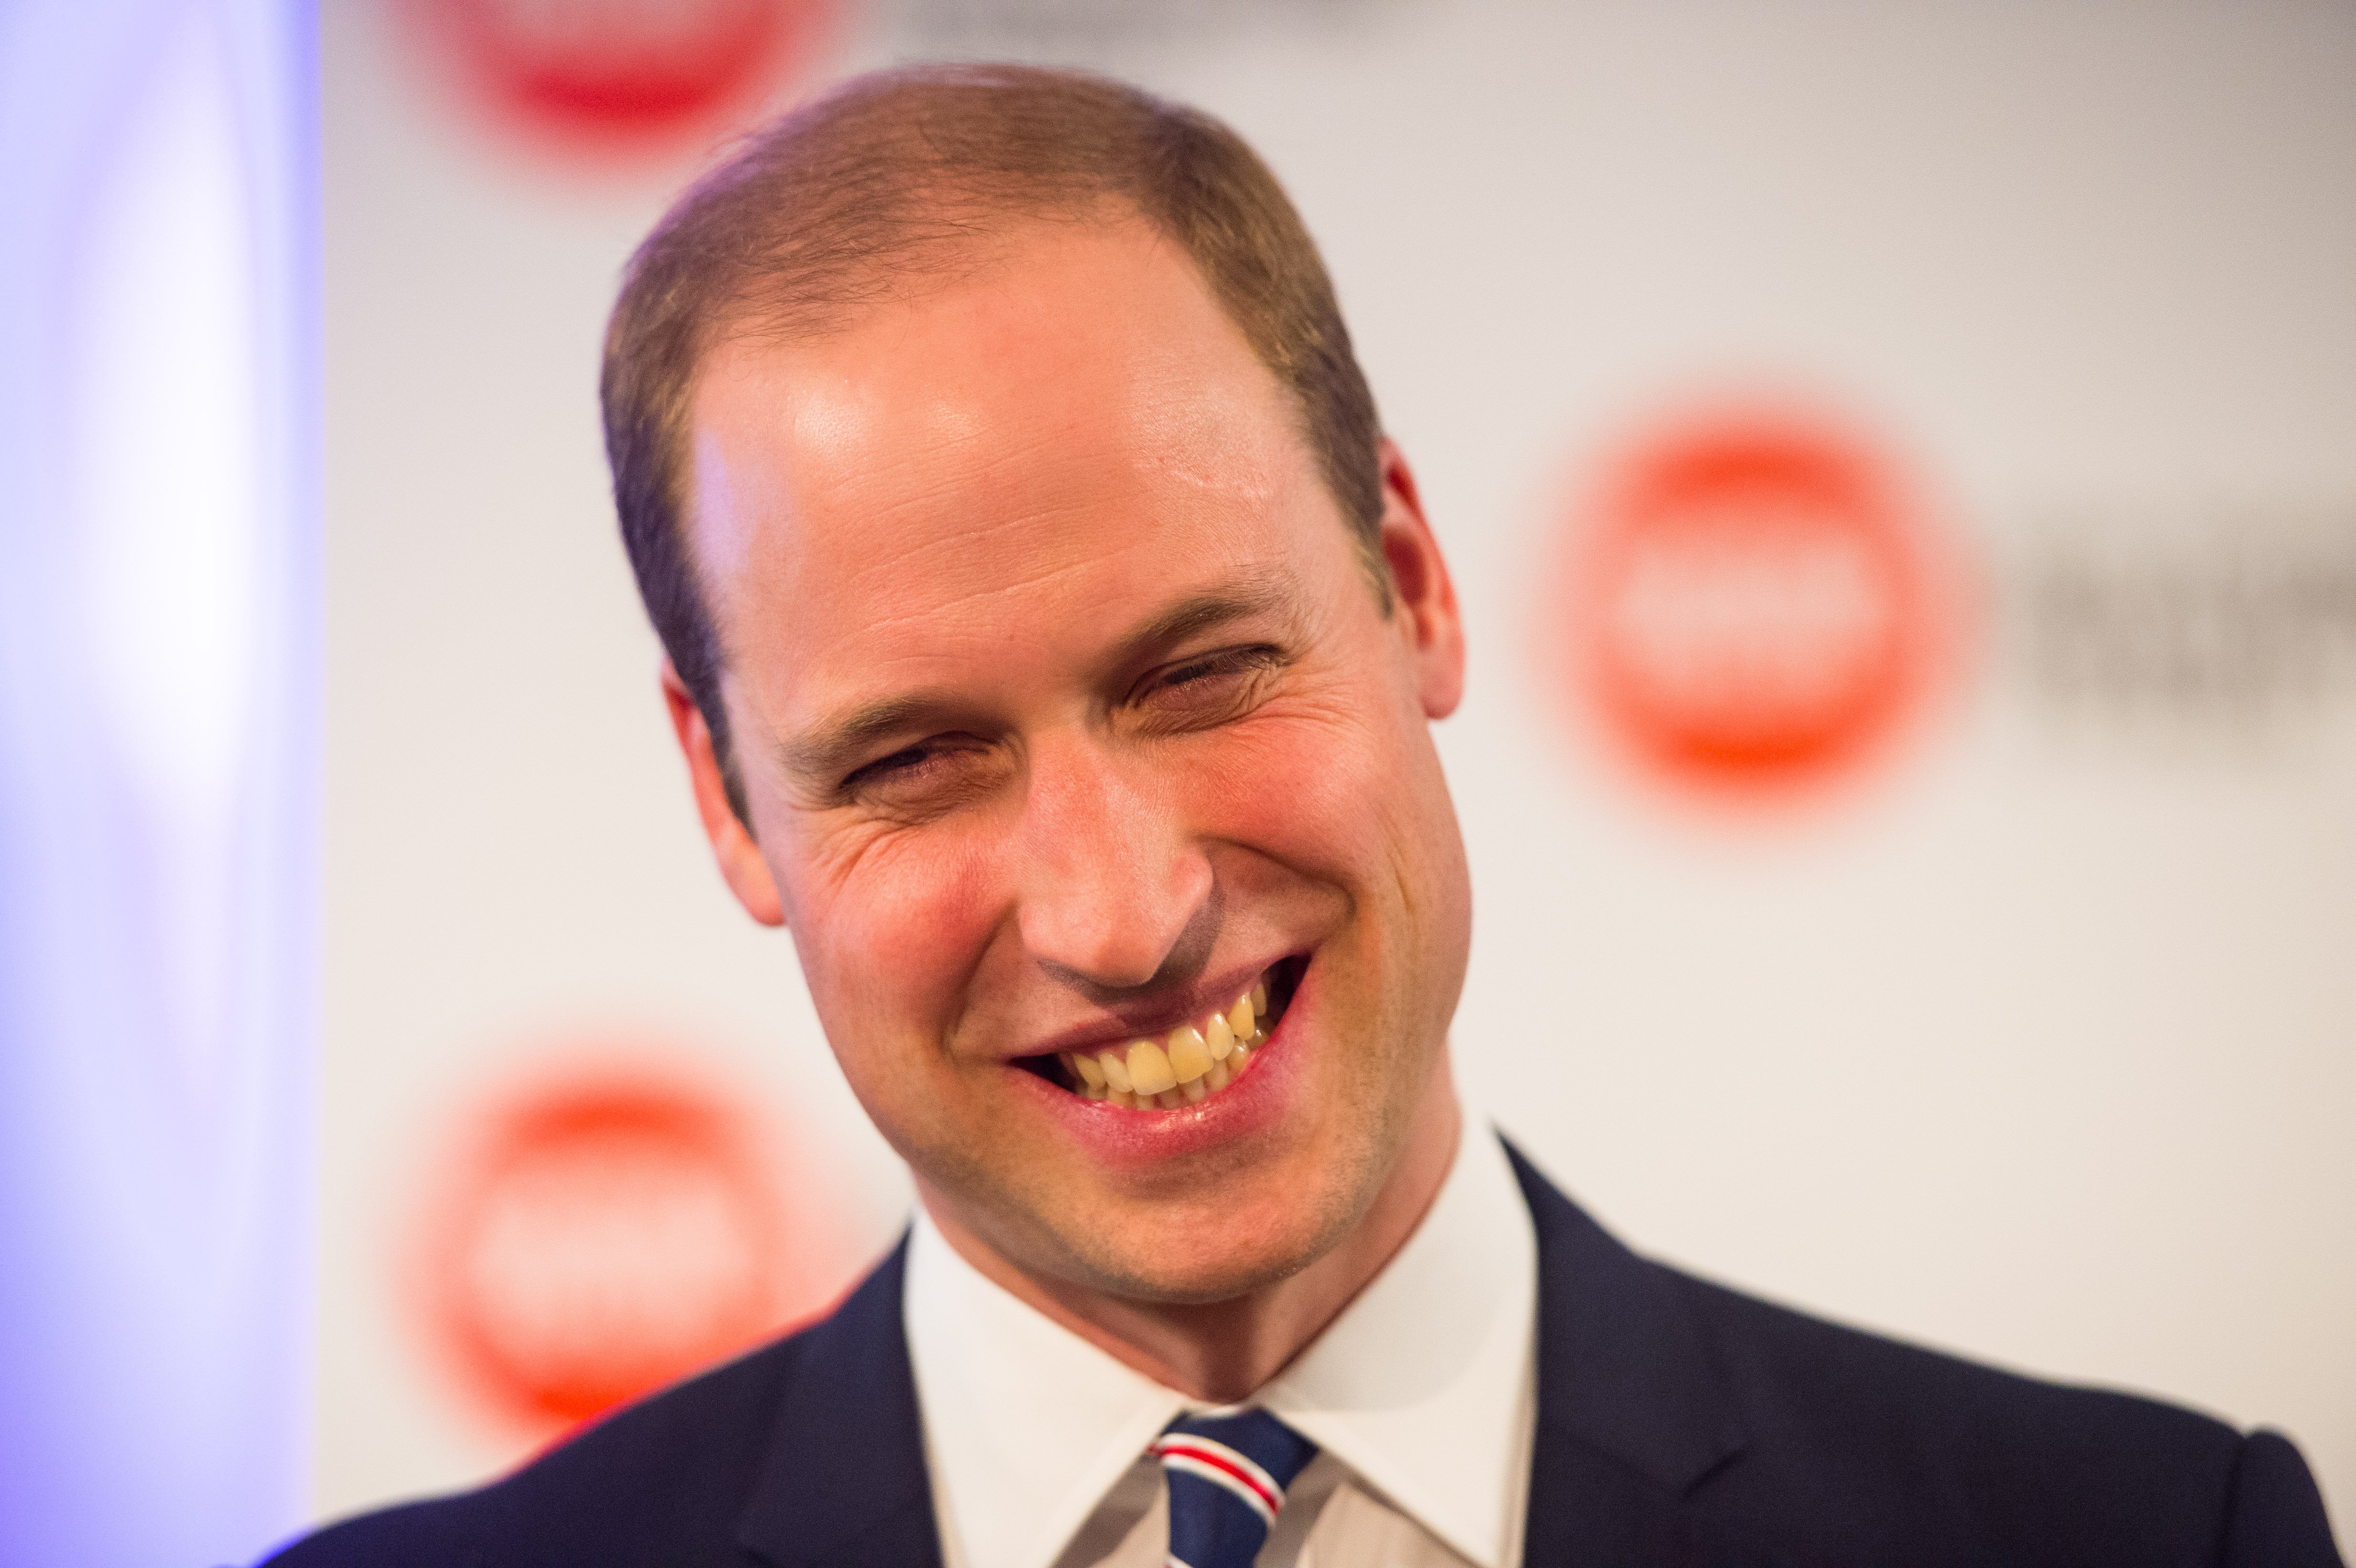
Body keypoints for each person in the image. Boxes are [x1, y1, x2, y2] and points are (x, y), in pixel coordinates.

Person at [266, 64, 2342, 1568]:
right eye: (911, 762)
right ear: (725, 796)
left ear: (1411, 583)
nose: (1117, 906)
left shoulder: (2140, 1539)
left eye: (1195, 674)